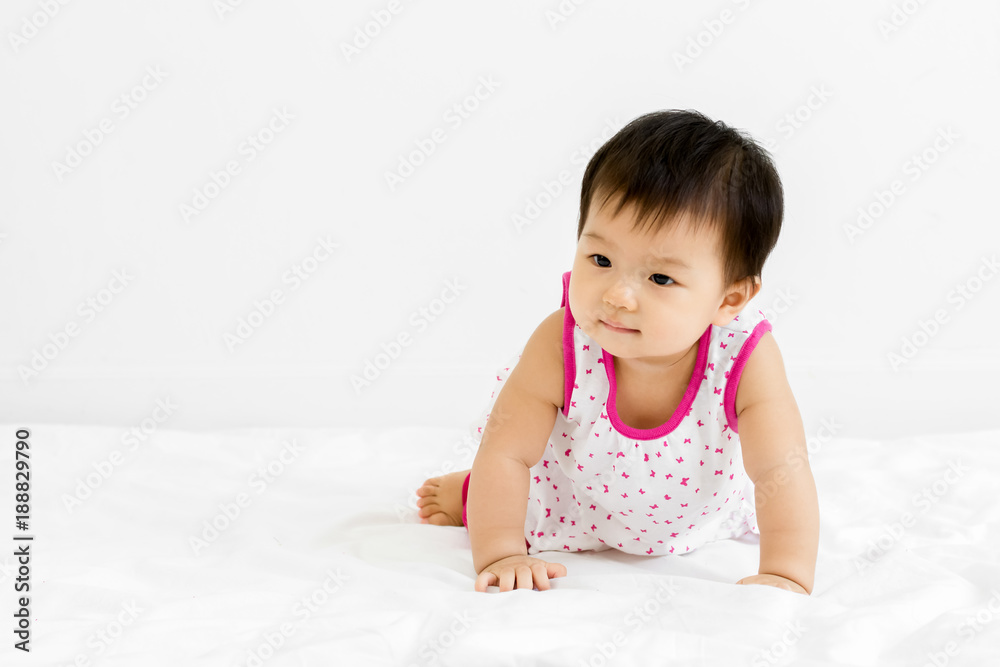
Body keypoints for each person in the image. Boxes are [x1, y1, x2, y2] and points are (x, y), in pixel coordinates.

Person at [416, 109, 819, 595]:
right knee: (506, 495)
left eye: (660, 278)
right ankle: (470, 494)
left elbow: (782, 470)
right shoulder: (562, 344)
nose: (617, 296)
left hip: (696, 512)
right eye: (601, 259)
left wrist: (784, 572)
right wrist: (503, 551)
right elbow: (506, 452)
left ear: (728, 299)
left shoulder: (745, 360)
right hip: (576, 498)